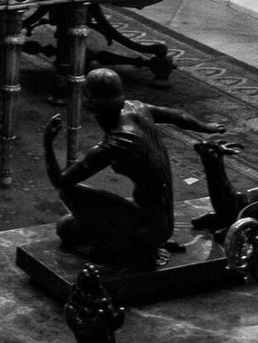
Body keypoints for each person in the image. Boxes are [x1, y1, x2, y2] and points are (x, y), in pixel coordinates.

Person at [45, 68, 226, 267]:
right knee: (67, 225)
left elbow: (61, 181)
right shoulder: (135, 107)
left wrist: (47, 143)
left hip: (150, 229)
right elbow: (179, 116)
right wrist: (206, 127)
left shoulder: (118, 142)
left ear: (89, 103)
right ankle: (118, 234)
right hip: (161, 218)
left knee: (67, 197)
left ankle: (121, 245)